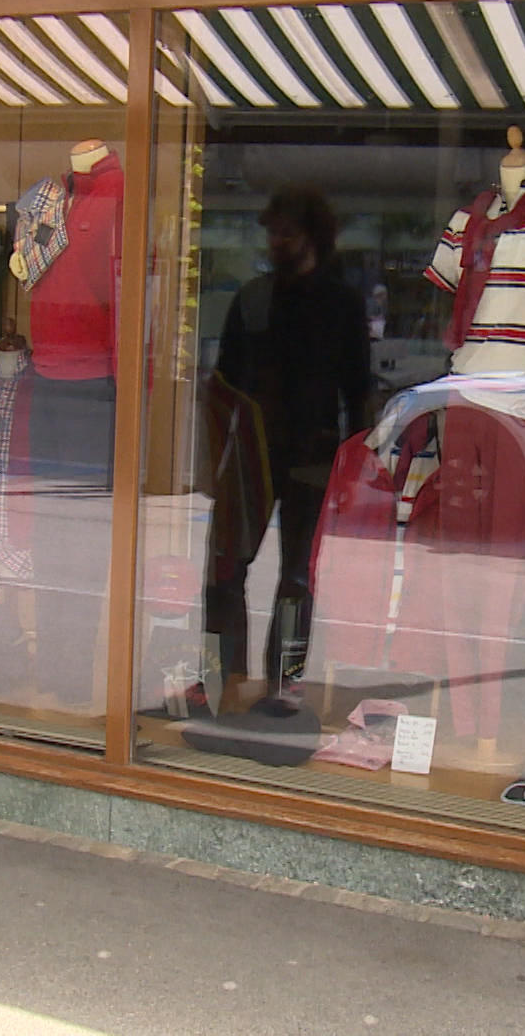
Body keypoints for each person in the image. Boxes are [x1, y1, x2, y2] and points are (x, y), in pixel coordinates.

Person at [204, 184, 372, 705]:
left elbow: (359, 389)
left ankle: (284, 683)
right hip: (254, 448)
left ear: (311, 236)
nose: (276, 240)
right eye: (273, 231)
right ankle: (221, 679)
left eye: (286, 232)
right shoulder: (255, 297)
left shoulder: (342, 304)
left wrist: (353, 463)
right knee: (226, 564)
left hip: (313, 453)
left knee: (298, 574)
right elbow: (223, 386)